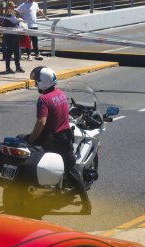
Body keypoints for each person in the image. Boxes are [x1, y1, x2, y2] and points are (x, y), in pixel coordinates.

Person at [27, 66, 92, 214]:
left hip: (53, 139)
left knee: (26, 146)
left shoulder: (43, 99)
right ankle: (84, 204)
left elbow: (41, 122)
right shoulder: (61, 94)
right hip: (65, 135)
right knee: (71, 170)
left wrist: (31, 138)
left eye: (37, 81)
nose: (36, 84)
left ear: (43, 82)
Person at [1, 1, 24, 74]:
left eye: (14, 6)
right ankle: (7, 68)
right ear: (8, 7)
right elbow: (4, 24)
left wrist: (19, 21)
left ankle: (18, 67)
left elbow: (15, 22)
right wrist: (18, 22)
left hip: (16, 35)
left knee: (17, 52)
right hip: (9, 36)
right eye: (12, 7)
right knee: (9, 52)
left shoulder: (14, 14)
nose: (13, 8)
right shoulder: (6, 15)